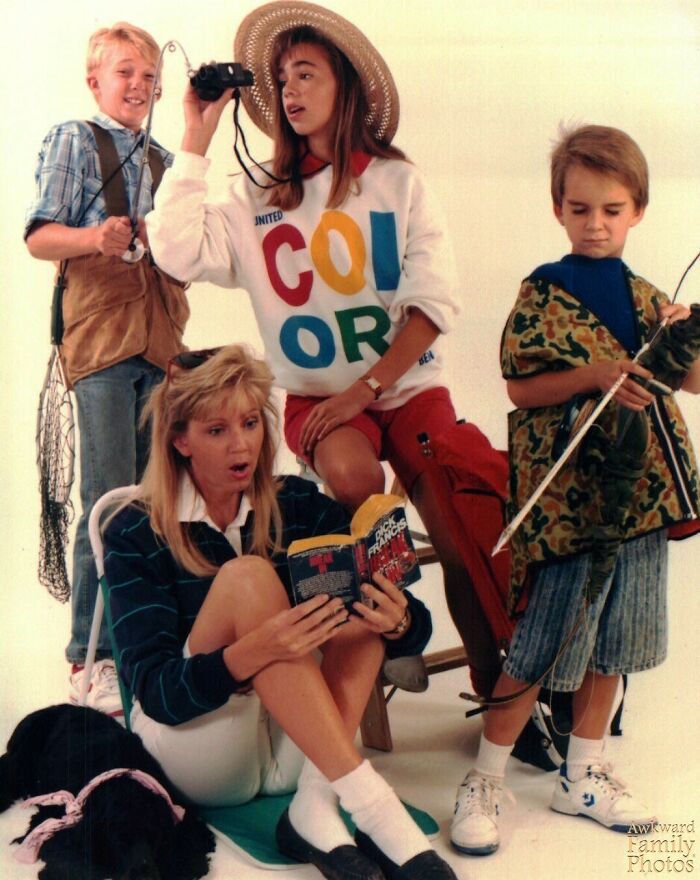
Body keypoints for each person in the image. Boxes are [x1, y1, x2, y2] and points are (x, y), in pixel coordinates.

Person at [146, 0, 503, 700]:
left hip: (405, 387)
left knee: (459, 536)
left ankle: (500, 695)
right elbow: (175, 248)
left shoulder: (398, 184)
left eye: (306, 74)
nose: (290, 91)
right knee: (351, 481)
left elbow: (433, 307)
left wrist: (364, 391)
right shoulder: (257, 196)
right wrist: (195, 135)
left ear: (346, 87)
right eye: (280, 80)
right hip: (318, 399)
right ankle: (396, 623)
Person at [103, 343, 457, 880]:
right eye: (216, 430)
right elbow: (155, 692)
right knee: (247, 576)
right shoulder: (135, 528)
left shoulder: (297, 503)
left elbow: (410, 630)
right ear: (180, 441)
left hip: (299, 755)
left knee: (359, 603)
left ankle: (314, 806)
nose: (240, 444)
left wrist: (399, 621)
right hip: (200, 748)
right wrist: (247, 656)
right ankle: (375, 808)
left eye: (249, 423)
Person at [449, 124, 700, 856]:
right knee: (543, 639)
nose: (596, 225)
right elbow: (521, 388)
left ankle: (584, 772)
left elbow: (690, 379)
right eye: (581, 209)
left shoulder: (651, 300)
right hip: (569, 509)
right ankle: (487, 779)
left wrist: (688, 335)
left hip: (641, 502)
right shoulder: (544, 292)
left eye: (612, 210)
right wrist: (596, 376)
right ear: (559, 209)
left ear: (639, 211)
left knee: (619, 640)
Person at [24, 22, 189, 717]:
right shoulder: (72, 139)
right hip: (100, 342)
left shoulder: (167, 159)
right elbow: (38, 236)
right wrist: (96, 237)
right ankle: (88, 660)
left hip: (162, 342)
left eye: (150, 77)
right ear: (96, 80)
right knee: (106, 500)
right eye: (126, 72)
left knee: (158, 501)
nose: (140, 86)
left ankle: (144, 644)